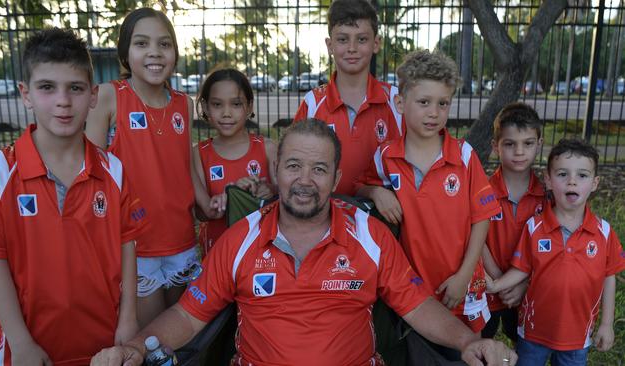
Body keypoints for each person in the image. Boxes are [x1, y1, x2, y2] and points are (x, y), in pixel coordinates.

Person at [91, 119, 517, 366]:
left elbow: (418, 306)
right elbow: (187, 317)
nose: (304, 181)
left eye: (318, 170)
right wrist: (131, 348)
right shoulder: (241, 239)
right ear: (276, 171)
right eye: (293, 166)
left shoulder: (369, 236)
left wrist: (467, 342)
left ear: (335, 179)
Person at [0, 28, 147, 365]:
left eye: (76, 88)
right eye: (47, 87)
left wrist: (128, 318)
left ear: (93, 96)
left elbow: (128, 247)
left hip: (102, 344)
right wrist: (21, 342)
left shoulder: (114, 171)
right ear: (26, 94)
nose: (63, 101)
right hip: (28, 348)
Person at [85, 8, 223, 329]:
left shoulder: (182, 104)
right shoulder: (108, 97)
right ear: (125, 52)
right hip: (135, 246)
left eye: (164, 44)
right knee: (148, 339)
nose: (154, 53)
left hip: (180, 238)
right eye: (142, 43)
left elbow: (185, 164)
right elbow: (91, 177)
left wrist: (206, 203)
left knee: (176, 338)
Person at [356, 50, 501, 354]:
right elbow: (359, 187)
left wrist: (463, 275)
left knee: (470, 352)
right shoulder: (385, 157)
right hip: (416, 295)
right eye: (424, 102)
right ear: (400, 103)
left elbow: (482, 217)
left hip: (462, 288)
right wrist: (375, 192)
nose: (434, 112)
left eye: (442, 103)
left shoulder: (463, 155)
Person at [486, 139, 625, 366]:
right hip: (533, 332)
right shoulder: (534, 227)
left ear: (595, 183)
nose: (572, 181)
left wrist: (607, 324)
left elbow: (609, 278)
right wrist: (495, 285)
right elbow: (522, 269)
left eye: (582, 175)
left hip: (578, 336)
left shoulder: (604, 232)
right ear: (549, 181)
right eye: (562, 174)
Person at [293, 0, 402, 195]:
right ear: (330, 44)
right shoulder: (313, 103)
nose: (352, 48)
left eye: (361, 39)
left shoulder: (396, 100)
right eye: (343, 39)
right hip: (324, 217)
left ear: (376, 43)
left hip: (383, 218)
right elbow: (294, 161)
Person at [193, 68, 277, 254]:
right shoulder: (198, 154)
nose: (226, 113)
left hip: (261, 257)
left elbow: (285, 197)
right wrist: (219, 203)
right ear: (206, 107)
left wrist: (269, 191)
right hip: (217, 253)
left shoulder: (268, 149)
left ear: (249, 106)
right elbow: (200, 213)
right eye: (217, 105)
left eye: (236, 104)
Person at [480, 102, 545, 343]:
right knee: (481, 343)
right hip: (488, 285)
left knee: (523, 345)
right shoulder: (482, 191)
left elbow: (549, 250)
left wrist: (523, 284)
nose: (519, 152)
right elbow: (475, 237)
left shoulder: (548, 197)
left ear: (539, 145)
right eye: (510, 144)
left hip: (527, 289)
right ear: (495, 147)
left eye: (527, 143)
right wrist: (498, 280)